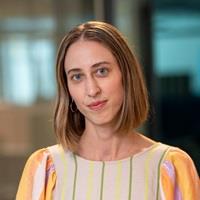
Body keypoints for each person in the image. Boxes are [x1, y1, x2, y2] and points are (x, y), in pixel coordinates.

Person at [16, 21, 200, 200]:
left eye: (101, 71)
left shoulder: (171, 166)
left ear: (127, 75)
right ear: (68, 89)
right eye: (77, 76)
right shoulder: (45, 168)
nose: (92, 90)